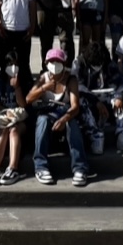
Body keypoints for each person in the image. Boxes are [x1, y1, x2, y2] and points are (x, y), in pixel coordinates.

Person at [27, 48, 93, 186]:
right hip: (47, 112)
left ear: (64, 63)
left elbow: (75, 106)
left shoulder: (70, 79)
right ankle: (41, 166)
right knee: (42, 120)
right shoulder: (43, 78)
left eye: (58, 61)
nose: (55, 64)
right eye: (52, 61)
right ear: (46, 63)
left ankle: (80, 168)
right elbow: (28, 99)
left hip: (65, 113)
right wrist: (44, 88)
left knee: (72, 123)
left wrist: (64, 119)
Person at [73, 38, 123, 155]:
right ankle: (95, 136)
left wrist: (119, 97)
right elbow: (77, 85)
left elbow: (121, 82)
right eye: (95, 64)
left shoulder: (107, 62)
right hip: (89, 96)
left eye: (100, 64)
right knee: (79, 100)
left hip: (107, 94)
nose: (98, 66)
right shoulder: (78, 63)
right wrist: (95, 102)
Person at [0, 50, 27, 186]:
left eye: (15, 64)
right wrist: (6, 112)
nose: (13, 67)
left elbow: (23, 104)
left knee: (14, 130)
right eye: (10, 64)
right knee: (3, 130)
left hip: (20, 119)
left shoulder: (24, 80)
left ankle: (13, 168)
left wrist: (17, 87)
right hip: (5, 116)